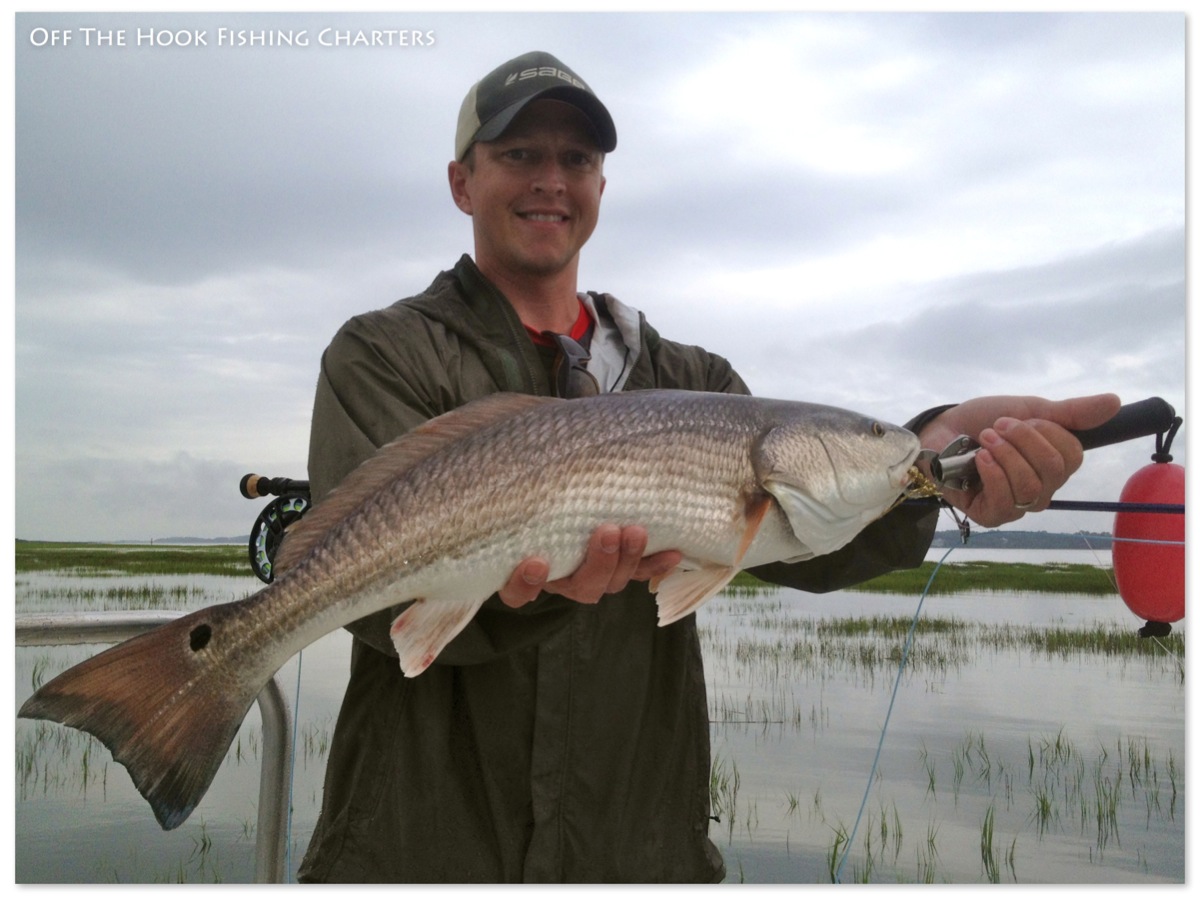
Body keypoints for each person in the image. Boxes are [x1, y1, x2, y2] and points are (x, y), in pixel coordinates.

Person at [296, 51, 1119, 883]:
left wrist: (937, 461)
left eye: (577, 159)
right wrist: (533, 590)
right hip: (416, 849)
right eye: (518, 154)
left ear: (602, 189)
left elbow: (810, 539)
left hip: (634, 851)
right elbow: (375, 600)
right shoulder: (383, 353)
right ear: (461, 182)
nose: (552, 179)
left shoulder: (698, 382)